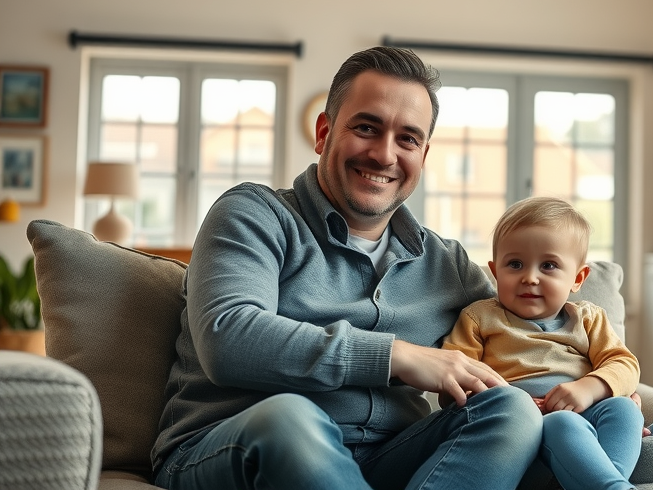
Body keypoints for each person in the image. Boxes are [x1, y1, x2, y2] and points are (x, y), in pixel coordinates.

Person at [151, 46, 542, 490]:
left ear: (423, 156)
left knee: (511, 409)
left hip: (389, 457)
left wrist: (599, 386)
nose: (384, 154)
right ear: (324, 132)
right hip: (236, 446)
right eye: (366, 128)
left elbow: (531, 327)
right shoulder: (253, 213)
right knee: (290, 415)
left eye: (407, 139)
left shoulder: (447, 265)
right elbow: (228, 338)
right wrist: (397, 355)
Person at [443, 197, 645, 490]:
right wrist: (511, 403)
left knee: (624, 410)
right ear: (496, 271)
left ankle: (608, 480)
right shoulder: (480, 317)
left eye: (548, 265)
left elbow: (624, 364)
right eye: (515, 264)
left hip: (585, 414)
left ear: (578, 278)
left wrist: (587, 389)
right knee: (563, 423)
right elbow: (454, 382)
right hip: (521, 430)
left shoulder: (588, 319)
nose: (530, 277)